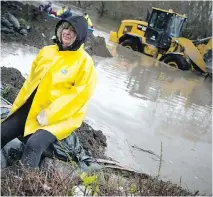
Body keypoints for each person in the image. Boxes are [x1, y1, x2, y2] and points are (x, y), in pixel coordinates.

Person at [1, 16, 97, 169]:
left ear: (80, 37)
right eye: (66, 28)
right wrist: (20, 107)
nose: (67, 32)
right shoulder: (46, 52)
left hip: (61, 118)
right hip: (32, 109)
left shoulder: (85, 63)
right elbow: (30, 82)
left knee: (34, 144)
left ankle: (25, 184)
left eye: (73, 31)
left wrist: (48, 115)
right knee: (2, 132)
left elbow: (78, 98)